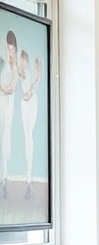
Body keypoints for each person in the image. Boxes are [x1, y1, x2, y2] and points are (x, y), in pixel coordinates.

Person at [19, 52, 40, 198]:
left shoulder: (30, 76)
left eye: (25, 60)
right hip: (24, 102)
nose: (23, 64)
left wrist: (30, 91)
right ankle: (28, 176)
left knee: (29, 135)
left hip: (30, 102)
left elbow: (33, 85)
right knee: (26, 135)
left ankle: (29, 174)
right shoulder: (21, 75)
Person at [0, 30, 17, 198]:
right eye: (8, 48)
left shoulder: (15, 66)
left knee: (6, 136)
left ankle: (5, 174)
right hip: (2, 102)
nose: (10, 51)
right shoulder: (2, 62)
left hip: (8, 103)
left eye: (12, 49)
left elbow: (12, 84)